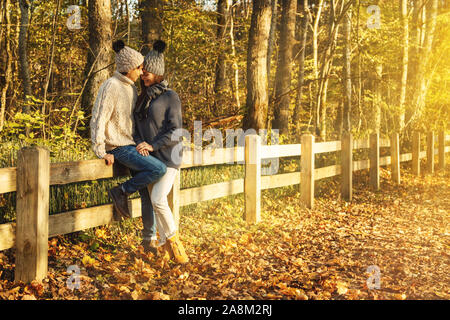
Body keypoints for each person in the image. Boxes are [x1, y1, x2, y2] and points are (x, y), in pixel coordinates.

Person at [90, 40, 167, 224]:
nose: (142, 72)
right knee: (159, 168)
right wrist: (101, 150)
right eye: (139, 68)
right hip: (118, 147)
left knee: (148, 196)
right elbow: (98, 119)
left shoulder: (131, 88)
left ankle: (149, 241)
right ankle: (121, 191)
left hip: (131, 146)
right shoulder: (111, 85)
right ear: (130, 68)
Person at [133, 40, 188, 264]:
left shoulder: (170, 96)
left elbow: (176, 130)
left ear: (157, 72)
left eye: (147, 71)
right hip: (148, 159)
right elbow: (135, 127)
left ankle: (175, 244)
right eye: (142, 71)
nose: (143, 75)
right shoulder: (142, 97)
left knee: (158, 199)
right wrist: (139, 144)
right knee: (157, 203)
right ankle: (166, 249)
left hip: (169, 156)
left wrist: (153, 145)